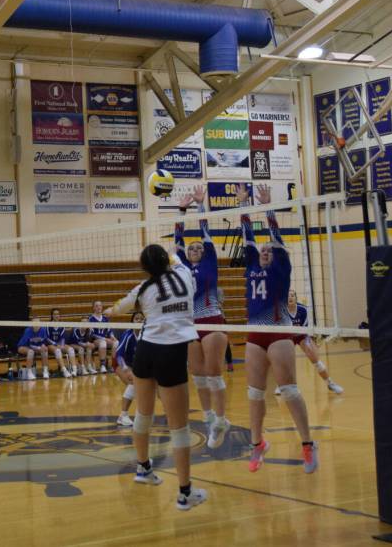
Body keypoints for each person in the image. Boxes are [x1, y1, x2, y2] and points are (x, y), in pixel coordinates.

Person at [105, 244, 207, 511]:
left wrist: (106, 312)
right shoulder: (184, 273)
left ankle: (143, 468)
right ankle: (185, 492)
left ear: (145, 268)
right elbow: (175, 258)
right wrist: (171, 250)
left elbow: (116, 309)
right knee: (179, 426)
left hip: (146, 351)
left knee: (144, 413)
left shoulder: (143, 289)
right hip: (171, 352)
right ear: (165, 260)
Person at [241, 187, 318, 474]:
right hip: (254, 334)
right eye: (261, 250)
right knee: (254, 394)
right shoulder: (251, 266)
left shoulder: (281, 268)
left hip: (278, 331)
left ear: (275, 255)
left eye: (268, 250)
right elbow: (247, 236)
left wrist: (268, 208)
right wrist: (243, 205)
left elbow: (276, 239)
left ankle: (308, 443)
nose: (264, 251)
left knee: (289, 390)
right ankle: (257, 443)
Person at [175, 184, 231, 448]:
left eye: (199, 247)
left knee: (212, 373)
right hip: (190, 323)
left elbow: (205, 230)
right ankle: (210, 419)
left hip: (212, 319)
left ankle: (220, 419)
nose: (195, 249)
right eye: (192, 248)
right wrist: (181, 210)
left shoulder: (210, 262)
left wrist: (199, 205)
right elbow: (178, 239)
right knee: (197, 375)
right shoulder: (183, 267)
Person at [275, 290, 343, 395]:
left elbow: (307, 329)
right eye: (288, 296)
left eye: (292, 295)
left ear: (296, 298)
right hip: (288, 337)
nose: (290, 298)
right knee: (284, 361)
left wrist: (312, 340)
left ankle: (330, 383)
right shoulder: (282, 311)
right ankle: (281, 386)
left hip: (302, 335)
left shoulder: (304, 310)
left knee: (315, 359)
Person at [114, 312, 143, 427]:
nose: (139, 321)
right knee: (134, 384)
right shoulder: (128, 334)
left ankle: (137, 415)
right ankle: (123, 416)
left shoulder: (146, 334)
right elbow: (119, 355)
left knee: (141, 387)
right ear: (132, 321)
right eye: (136, 319)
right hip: (121, 363)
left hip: (137, 365)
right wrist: (126, 370)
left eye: (141, 319)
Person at [87, 301, 117, 374]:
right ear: (93, 308)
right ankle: (102, 366)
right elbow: (92, 334)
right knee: (103, 343)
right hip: (95, 341)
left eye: (100, 305)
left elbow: (109, 330)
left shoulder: (105, 318)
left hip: (105, 339)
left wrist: (112, 336)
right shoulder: (90, 319)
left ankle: (113, 365)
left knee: (116, 343)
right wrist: (103, 338)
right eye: (96, 306)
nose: (99, 307)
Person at [46, 308, 77, 378]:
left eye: (58, 314)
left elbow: (63, 337)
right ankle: (64, 371)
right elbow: (47, 338)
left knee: (71, 349)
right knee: (57, 350)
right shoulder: (48, 325)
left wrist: (62, 345)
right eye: (55, 314)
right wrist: (55, 344)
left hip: (59, 344)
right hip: (50, 345)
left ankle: (74, 370)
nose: (56, 316)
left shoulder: (62, 325)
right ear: (52, 316)